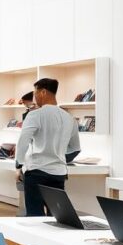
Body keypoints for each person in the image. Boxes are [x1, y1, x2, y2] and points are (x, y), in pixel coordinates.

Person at [16, 78, 81, 217]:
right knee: (57, 216)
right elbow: (76, 148)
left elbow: (23, 142)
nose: (34, 97)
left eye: (35, 93)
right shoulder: (70, 118)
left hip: (36, 172)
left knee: (34, 216)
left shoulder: (34, 115)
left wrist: (18, 165)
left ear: (43, 92)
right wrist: (59, 155)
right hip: (58, 174)